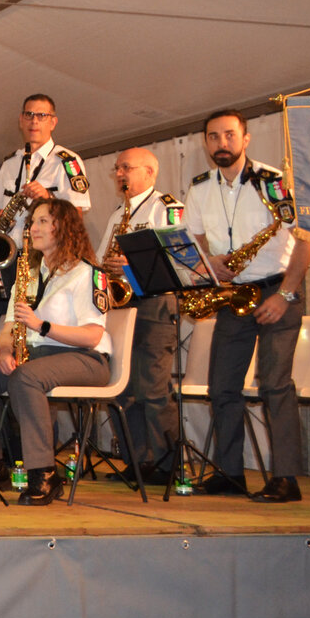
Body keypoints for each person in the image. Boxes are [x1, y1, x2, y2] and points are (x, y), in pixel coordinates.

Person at [185, 110, 310, 503]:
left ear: (246, 138)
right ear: (205, 142)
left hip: (278, 290)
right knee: (222, 386)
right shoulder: (199, 188)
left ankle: (286, 479)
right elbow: (195, 241)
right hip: (233, 294)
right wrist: (209, 263)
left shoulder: (274, 183)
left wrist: (285, 295)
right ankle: (230, 474)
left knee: (275, 384)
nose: (221, 143)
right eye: (213, 136)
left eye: (229, 135)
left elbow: (307, 239)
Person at [0, 198, 111, 506]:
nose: (32, 229)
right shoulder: (28, 273)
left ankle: (43, 473)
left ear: (63, 227)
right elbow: (8, 329)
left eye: (42, 221)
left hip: (86, 358)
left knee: (26, 378)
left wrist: (41, 326)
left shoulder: (88, 274)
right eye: (32, 222)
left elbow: (92, 335)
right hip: (36, 357)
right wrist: (4, 352)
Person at [97, 148, 184, 486]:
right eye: (117, 168)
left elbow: (178, 261)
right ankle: (137, 460)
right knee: (123, 389)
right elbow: (101, 260)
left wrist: (131, 268)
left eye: (127, 167)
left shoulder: (167, 208)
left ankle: (166, 464)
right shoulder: (116, 214)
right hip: (121, 308)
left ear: (150, 172)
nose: (120, 173)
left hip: (154, 305)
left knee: (153, 388)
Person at [0, 95, 90, 247]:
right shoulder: (10, 163)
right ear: (21, 120)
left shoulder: (68, 162)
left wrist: (48, 198)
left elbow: (76, 219)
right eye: (29, 114)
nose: (34, 121)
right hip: (9, 253)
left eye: (42, 115)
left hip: (45, 253)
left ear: (53, 123)